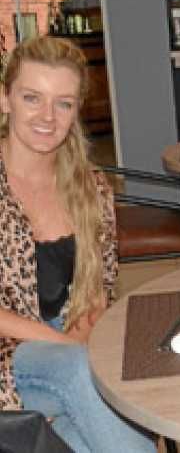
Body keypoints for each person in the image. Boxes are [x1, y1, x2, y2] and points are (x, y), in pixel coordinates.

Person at [0, 37, 155, 451]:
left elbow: (98, 291)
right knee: (83, 375)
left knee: (84, 432)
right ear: (5, 99)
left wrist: (81, 342)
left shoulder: (91, 187)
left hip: (66, 349)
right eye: (32, 98)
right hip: (13, 356)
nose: (47, 117)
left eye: (63, 103)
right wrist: (69, 350)